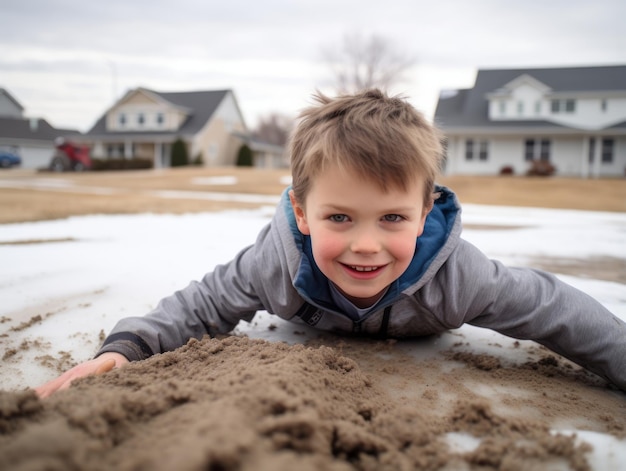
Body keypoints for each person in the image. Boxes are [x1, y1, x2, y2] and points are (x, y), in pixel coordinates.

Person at [36, 89, 626, 398]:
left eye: (393, 217)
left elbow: (554, 309)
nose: (366, 245)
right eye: (339, 217)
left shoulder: (458, 279)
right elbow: (202, 305)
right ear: (302, 211)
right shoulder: (274, 263)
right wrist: (125, 350)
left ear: (424, 213)